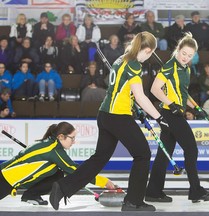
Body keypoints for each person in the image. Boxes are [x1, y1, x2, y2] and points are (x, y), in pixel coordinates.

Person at [49, 31, 169, 212]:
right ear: (146, 49)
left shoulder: (121, 59)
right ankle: (133, 202)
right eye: (151, 52)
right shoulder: (134, 66)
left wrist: (132, 104)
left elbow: (124, 91)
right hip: (118, 116)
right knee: (142, 154)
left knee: (99, 159)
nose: (150, 56)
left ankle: (63, 187)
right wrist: (159, 117)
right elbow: (141, 97)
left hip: (105, 115)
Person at [145, 32, 209, 204]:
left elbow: (183, 93)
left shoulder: (186, 68)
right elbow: (155, 89)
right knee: (191, 149)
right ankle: (196, 191)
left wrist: (196, 108)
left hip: (175, 111)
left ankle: (153, 192)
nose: (185, 57)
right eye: (183, 53)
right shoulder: (170, 66)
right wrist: (171, 104)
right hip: (171, 114)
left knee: (164, 155)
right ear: (178, 50)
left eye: (189, 55)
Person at [0, 122, 116, 205]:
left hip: (8, 177)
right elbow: (75, 170)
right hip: (5, 179)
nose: (74, 142)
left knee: (58, 173)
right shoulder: (55, 151)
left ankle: (31, 195)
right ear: (61, 136)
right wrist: (103, 181)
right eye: (72, 138)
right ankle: (31, 194)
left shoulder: (50, 144)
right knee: (62, 171)